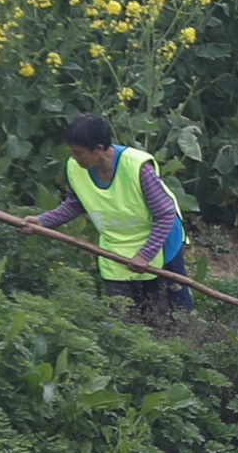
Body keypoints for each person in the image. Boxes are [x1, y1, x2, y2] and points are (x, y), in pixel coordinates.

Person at [35, 112, 191, 313]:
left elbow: (165, 215)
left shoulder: (138, 168)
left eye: (78, 152)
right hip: (116, 246)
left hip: (159, 243)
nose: (74, 157)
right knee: (120, 315)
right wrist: (42, 221)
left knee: (169, 313)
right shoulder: (76, 167)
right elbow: (74, 205)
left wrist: (146, 254)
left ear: (99, 149)